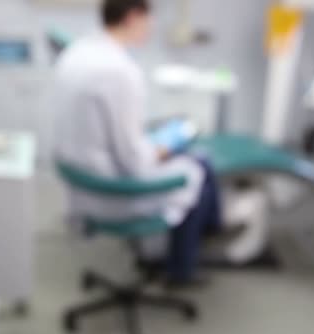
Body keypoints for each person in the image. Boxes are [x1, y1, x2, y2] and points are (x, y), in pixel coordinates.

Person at [53, 0, 220, 286]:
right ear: (133, 17)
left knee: (183, 154)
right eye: (149, 19)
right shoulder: (121, 72)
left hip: (80, 182)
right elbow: (134, 162)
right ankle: (182, 269)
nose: (151, 27)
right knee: (199, 167)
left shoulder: (76, 53)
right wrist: (165, 146)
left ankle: (203, 237)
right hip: (113, 190)